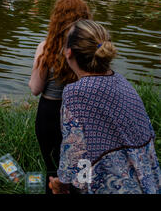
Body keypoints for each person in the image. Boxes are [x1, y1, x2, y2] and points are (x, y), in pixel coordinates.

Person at [49, 20, 161, 194]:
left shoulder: (75, 92)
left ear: (68, 52)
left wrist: (62, 184)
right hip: (149, 183)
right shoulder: (121, 81)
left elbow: (74, 153)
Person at [29, 0, 92, 194]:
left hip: (50, 112)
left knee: (53, 168)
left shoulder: (46, 48)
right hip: (80, 112)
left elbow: (35, 89)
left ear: (55, 19)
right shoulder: (89, 49)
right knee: (81, 166)